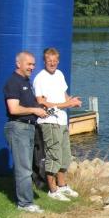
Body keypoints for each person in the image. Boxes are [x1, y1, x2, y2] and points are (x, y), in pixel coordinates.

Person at [33, 47, 82, 201]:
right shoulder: (40, 78)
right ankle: (52, 190)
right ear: (44, 61)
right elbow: (41, 102)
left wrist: (72, 101)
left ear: (58, 61)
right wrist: (67, 104)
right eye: (49, 61)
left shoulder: (60, 74)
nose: (52, 63)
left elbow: (64, 95)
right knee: (53, 155)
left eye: (55, 61)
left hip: (61, 120)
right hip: (49, 121)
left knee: (64, 155)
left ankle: (62, 185)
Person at [2, 51, 48, 212]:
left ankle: (26, 201)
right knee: (24, 168)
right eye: (29, 64)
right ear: (18, 64)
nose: (32, 67)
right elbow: (13, 109)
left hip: (28, 127)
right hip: (18, 128)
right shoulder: (13, 82)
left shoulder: (26, 81)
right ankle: (25, 204)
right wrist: (34, 110)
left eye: (33, 64)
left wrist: (40, 106)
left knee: (26, 166)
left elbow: (27, 105)